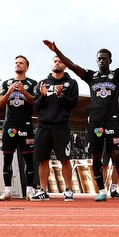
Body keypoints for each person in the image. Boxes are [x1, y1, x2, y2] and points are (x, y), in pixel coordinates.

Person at [44, 30, 119, 201]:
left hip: (113, 121)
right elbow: (71, 65)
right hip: (95, 121)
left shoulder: (116, 75)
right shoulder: (90, 76)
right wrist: (56, 50)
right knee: (96, 156)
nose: (102, 60)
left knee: (117, 155)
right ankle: (101, 190)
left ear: (110, 60)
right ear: (96, 61)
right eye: (99, 58)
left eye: (105, 58)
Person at [30, 55, 80, 201]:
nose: (57, 63)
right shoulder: (42, 83)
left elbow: (73, 104)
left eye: (60, 61)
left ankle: (68, 190)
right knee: (43, 160)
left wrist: (61, 96)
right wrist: (44, 96)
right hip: (43, 126)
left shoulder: (71, 83)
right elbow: (37, 106)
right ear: (51, 64)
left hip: (61, 127)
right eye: (55, 61)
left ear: (65, 66)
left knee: (65, 159)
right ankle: (43, 190)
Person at [0, 55, 38, 200]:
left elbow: (36, 103)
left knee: (28, 159)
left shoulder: (33, 83)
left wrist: (23, 92)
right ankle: (7, 191)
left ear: (26, 67)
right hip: (9, 125)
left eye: (21, 63)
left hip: (25, 125)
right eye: (16, 63)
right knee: (7, 158)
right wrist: (10, 91)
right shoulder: (7, 83)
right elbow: (0, 103)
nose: (18, 65)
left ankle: (30, 191)